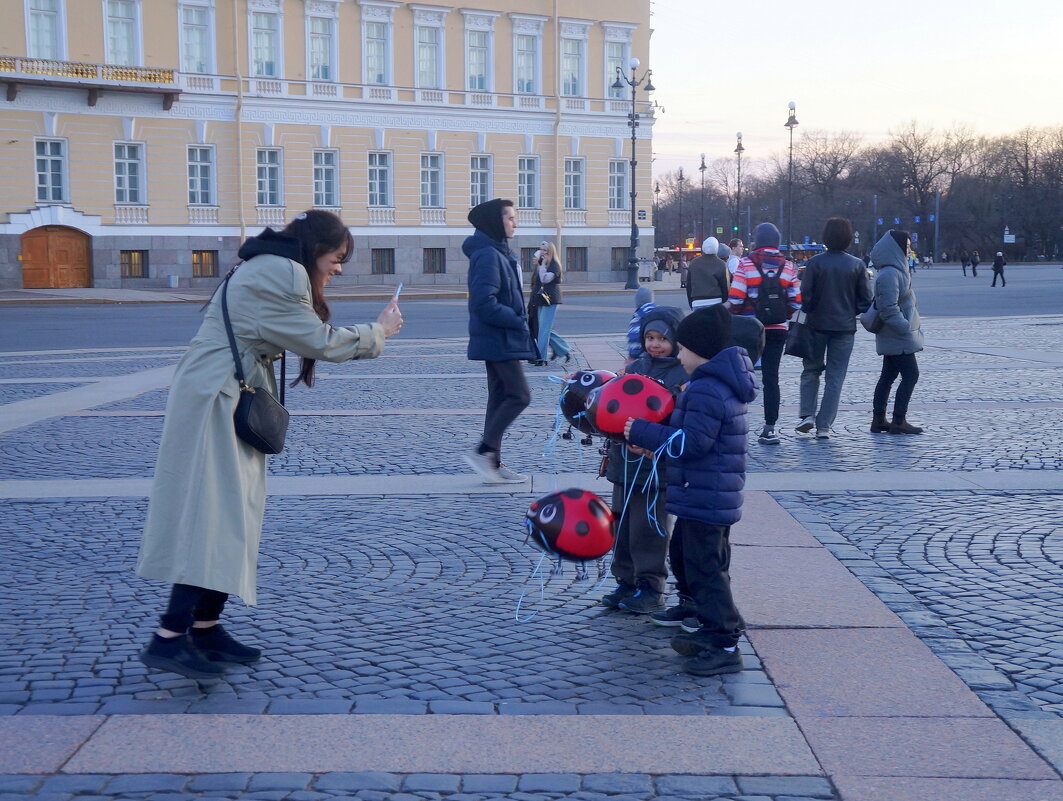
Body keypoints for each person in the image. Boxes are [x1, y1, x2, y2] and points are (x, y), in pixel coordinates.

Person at [136, 210, 403, 680]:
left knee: (231, 514)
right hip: (216, 400)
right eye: (337, 258)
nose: (338, 269)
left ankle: (206, 625)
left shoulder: (268, 265)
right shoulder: (281, 271)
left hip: (222, 392)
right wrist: (377, 332)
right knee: (211, 516)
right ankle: (169, 637)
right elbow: (318, 341)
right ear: (314, 248)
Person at [624, 305, 756, 677]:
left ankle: (724, 640)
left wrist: (644, 432)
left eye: (683, 349)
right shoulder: (706, 386)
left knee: (706, 569)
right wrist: (656, 444)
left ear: (701, 352)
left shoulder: (708, 390)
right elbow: (690, 438)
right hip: (704, 494)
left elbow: (693, 442)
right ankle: (696, 610)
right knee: (685, 556)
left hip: (707, 497)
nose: (679, 355)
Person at [601, 306, 689, 615]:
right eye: (650, 337)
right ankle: (625, 581)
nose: (655, 344)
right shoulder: (635, 366)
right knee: (622, 525)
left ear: (677, 340)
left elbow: (678, 421)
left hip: (656, 468)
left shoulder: (682, 374)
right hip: (624, 463)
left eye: (662, 338)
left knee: (649, 529)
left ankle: (651, 587)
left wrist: (652, 440)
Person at [463, 198, 535, 483]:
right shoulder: (489, 255)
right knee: (519, 395)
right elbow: (483, 303)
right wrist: (518, 320)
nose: (515, 223)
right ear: (496, 222)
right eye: (509, 218)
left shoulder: (497, 251)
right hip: (499, 338)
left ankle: (491, 462)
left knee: (499, 398)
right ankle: (484, 450)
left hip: (499, 338)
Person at [795, 217, 873, 439]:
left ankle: (807, 415)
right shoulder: (857, 264)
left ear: (826, 237)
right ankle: (824, 426)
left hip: (816, 326)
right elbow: (865, 302)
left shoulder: (815, 263)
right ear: (849, 238)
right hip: (845, 328)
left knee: (811, 370)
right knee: (835, 377)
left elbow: (806, 299)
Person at [728, 222, 801, 445]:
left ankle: (733, 426)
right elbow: (796, 302)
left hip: (749, 331)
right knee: (771, 378)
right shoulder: (788, 266)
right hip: (777, 331)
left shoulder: (745, 264)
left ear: (757, 241)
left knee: (739, 376)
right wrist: (780, 314)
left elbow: (736, 299)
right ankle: (770, 428)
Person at [869, 230, 924, 435]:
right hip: (897, 335)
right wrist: (905, 328)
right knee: (911, 375)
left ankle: (879, 420)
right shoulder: (890, 273)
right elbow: (888, 307)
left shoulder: (895, 271)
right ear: (896, 248)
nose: (910, 250)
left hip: (894, 335)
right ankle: (898, 420)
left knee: (888, 375)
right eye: (907, 247)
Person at [527, 241, 571, 366]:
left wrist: (542, 266)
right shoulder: (543, 263)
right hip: (540, 299)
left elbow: (545, 279)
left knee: (543, 330)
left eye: (545, 250)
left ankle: (542, 358)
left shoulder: (554, 265)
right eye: (541, 250)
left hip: (550, 300)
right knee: (542, 329)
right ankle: (562, 349)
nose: (542, 252)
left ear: (550, 251)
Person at [686, 237, 731, 310]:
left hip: (697, 302)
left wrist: (691, 303)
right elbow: (725, 287)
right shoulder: (721, 264)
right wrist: (724, 302)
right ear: (716, 248)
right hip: (716, 301)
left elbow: (689, 286)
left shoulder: (693, 263)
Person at [626, 285, 657, 362]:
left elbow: (634, 336)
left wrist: (632, 354)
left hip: (641, 357)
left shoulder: (638, 317)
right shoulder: (657, 313)